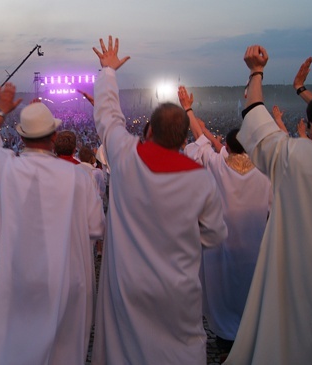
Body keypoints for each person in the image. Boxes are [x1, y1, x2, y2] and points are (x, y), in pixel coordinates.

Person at [90, 36, 227, 364]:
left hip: (129, 284)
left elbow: (109, 116)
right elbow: (215, 235)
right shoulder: (201, 179)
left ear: (148, 132)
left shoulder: (124, 155)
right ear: (183, 140)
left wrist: (108, 71)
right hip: (177, 288)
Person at [224, 45, 312, 364]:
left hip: (295, 292)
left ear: (309, 126)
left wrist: (256, 71)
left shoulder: (293, 158)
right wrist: (305, 93)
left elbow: (254, 113)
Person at [0, 86, 105, 364]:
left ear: (20, 136)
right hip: (66, 279)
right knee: (63, 352)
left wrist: (1, 110)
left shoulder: (5, 167)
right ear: (54, 136)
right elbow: (96, 228)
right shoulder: (79, 178)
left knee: (19, 345)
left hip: (20, 279)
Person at [179, 86, 272, 352]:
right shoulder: (266, 170)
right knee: (251, 300)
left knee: (223, 299)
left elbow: (201, 143)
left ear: (227, 147)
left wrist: (188, 109)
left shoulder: (219, 165)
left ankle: (226, 348)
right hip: (256, 248)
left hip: (221, 249)